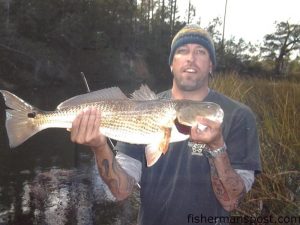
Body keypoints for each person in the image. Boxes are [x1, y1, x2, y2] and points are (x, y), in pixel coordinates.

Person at [70, 24, 261, 225]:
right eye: (182, 51)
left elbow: (231, 202)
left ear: (211, 65)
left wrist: (217, 147)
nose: (191, 58)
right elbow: (120, 191)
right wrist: (99, 146)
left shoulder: (239, 115)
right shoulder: (141, 107)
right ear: (171, 64)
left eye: (201, 52)